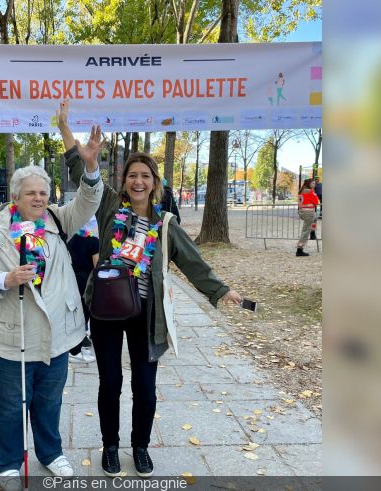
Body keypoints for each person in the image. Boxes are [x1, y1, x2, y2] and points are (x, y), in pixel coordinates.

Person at [58, 100, 243, 478]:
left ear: (154, 183)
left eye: (145, 176)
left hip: (146, 314)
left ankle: (139, 445)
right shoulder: (109, 206)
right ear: (124, 182)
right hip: (107, 310)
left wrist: (221, 290)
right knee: (110, 383)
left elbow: (192, 261)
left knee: (145, 386)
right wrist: (68, 134)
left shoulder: (167, 224)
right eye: (132, 176)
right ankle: (110, 445)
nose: (138, 181)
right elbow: (85, 173)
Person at [0, 125, 105, 485]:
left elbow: (89, 200)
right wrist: (5, 280)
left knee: (48, 402)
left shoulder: (58, 219)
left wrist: (89, 170)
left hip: (54, 336)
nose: (39, 198)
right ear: (16, 197)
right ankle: (9, 461)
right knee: (9, 406)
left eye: (44, 192)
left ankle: (51, 453)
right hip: (9, 338)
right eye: (31, 193)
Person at [67, 216, 99, 363]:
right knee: (85, 313)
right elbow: (96, 265)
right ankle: (76, 349)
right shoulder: (93, 241)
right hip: (87, 281)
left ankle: (78, 344)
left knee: (76, 312)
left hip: (73, 279)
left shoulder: (72, 239)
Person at [296, 178, 319, 256]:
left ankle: (312, 233)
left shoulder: (301, 191)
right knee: (305, 231)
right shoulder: (310, 191)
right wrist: (315, 195)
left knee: (315, 218)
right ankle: (299, 249)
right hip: (308, 212)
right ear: (309, 184)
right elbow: (316, 202)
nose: (314, 185)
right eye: (313, 183)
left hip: (302, 211)